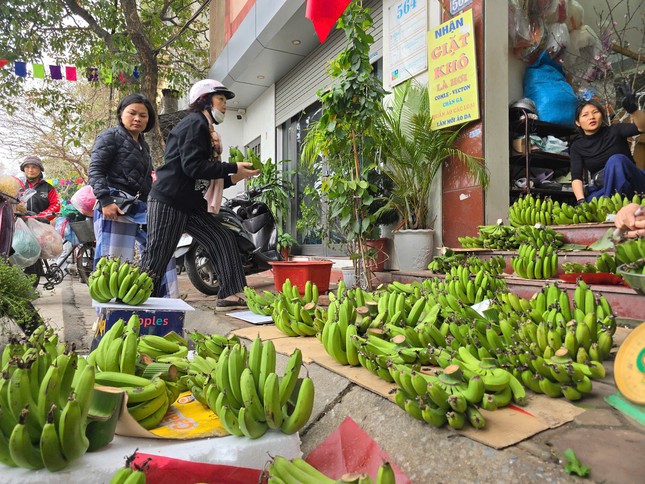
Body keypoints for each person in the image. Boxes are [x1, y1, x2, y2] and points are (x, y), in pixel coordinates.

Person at [139, 79, 259, 309]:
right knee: (158, 255)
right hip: (169, 200)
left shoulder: (206, 129)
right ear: (204, 100)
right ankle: (142, 305)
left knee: (222, 238)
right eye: (221, 99)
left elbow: (206, 176)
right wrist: (233, 167)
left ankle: (230, 293)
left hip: (190, 203)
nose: (224, 105)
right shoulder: (195, 124)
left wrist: (237, 175)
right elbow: (193, 167)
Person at [88, 93, 178, 297]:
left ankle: (161, 300)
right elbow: (95, 170)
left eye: (143, 115)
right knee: (114, 265)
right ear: (121, 114)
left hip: (139, 207)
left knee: (161, 250)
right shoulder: (109, 136)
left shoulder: (143, 145)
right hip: (115, 206)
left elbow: (146, 182)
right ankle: (110, 315)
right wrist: (105, 200)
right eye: (132, 113)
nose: (137, 119)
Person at [570, 83, 645, 204]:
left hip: (633, 181)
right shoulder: (577, 147)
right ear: (578, 122)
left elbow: (642, 128)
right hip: (605, 186)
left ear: (602, 116)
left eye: (595, 112)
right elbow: (576, 177)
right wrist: (580, 200)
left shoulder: (615, 130)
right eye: (585, 115)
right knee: (592, 202)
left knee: (616, 160)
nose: (591, 117)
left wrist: (633, 110)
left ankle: (615, 205)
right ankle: (614, 202)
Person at [14, 155, 61, 221]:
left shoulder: (48, 188)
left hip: (41, 226)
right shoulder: (17, 186)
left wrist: (40, 216)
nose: (30, 170)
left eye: (34, 167)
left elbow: (55, 205)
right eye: (27, 167)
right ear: (23, 169)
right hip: (19, 225)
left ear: (40, 169)